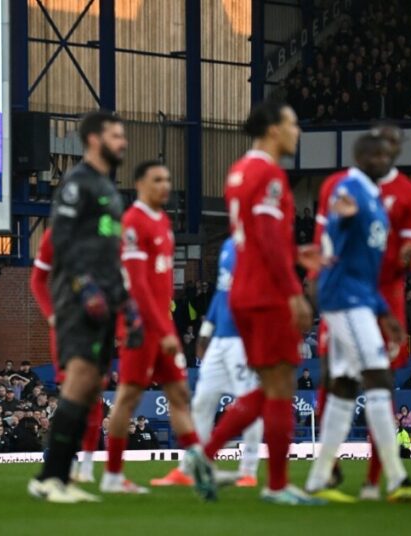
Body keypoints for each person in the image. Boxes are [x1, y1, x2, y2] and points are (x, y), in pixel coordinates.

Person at [189, 100, 320, 505]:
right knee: (280, 385)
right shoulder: (268, 174)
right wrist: (294, 291)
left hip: (245, 291)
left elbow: (256, 236)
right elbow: (264, 237)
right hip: (266, 294)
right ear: (272, 129)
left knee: (271, 387)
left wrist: (297, 255)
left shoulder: (239, 171)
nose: (297, 132)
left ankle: (205, 457)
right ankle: (276, 486)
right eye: (293, 124)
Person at [304, 133, 411, 503]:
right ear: (362, 157)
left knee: (345, 388)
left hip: (361, 296)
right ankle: (395, 479)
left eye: (388, 153)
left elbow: (364, 268)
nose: (385, 158)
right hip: (345, 300)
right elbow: (336, 235)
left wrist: (383, 311)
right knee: (378, 377)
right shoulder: (350, 191)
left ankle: (317, 479)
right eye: (376, 154)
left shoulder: (373, 197)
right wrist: (338, 220)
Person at [28, 111, 142, 504]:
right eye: (116, 135)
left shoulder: (109, 191)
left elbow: (112, 256)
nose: (123, 142)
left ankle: (63, 476)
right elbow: (62, 241)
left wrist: (126, 305)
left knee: (91, 386)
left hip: (106, 300)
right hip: (78, 298)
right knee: (78, 381)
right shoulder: (77, 184)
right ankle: (50, 477)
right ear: (94, 139)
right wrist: (83, 287)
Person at [102, 160, 210, 494]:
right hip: (141, 327)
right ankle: (113, 475)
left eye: (167, 179)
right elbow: (137, 286)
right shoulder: (133, 222)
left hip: (162, 326)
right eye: (157, 180)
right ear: (140, 184)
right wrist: (163, 331)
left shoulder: (162, 221)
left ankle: (195, 465)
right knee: (127, 400)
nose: (165, 185)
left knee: (179, 394)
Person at [150, 238, 263, 489]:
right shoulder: (228, 246)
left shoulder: (260, 246)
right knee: (201, 402)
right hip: (220, 338)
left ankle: (248, 470)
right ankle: (190, 468)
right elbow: (221, 294)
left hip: (243, 339)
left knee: (248, 404)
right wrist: (206, 329)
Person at [29, 228, 104, 483]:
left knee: (93, 401)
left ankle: (81, 469)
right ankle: (55, 471)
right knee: (74, 397)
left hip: (95, 330)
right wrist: (52, 316)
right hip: (68, 331)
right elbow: (38, 280)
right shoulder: (56, 235)